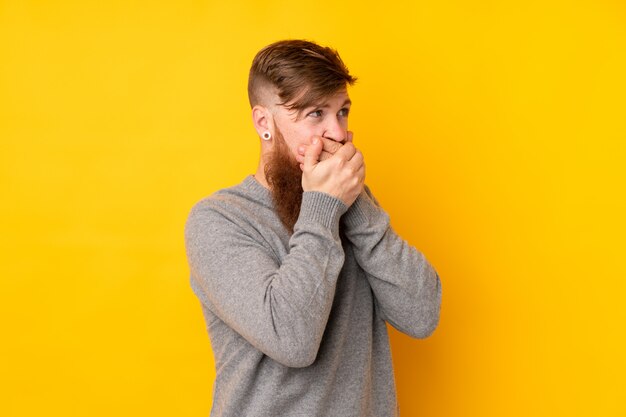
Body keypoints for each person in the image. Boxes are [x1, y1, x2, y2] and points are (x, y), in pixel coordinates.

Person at [184, 39, 442, 417]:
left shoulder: (352, 207)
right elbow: (292, 340)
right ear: (263, 123)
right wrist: (325, 206)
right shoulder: (220, 219)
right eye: (315, 114)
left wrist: (355, 208)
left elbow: (422, 316)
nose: (337, 134)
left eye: (343, 112)